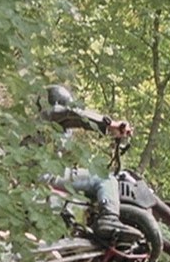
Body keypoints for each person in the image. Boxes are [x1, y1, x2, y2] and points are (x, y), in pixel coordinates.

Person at [36, 85, 143, 243]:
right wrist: (110, 124)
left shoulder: (40, 126)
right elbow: (74, 114)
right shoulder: (48, 115)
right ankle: (109, 219)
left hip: (38, 179)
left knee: (73, 201)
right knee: (104, 178)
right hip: (45, 176)